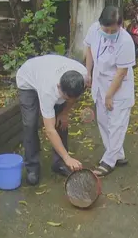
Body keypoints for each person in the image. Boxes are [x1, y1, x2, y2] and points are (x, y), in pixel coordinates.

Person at [16, 54, 87, 185]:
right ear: (59, 86)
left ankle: (58, 163)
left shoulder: (82, 74)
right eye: (66, 98)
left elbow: (73, 97)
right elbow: (49, 130)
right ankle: (32, 167)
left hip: (47, 71)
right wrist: (68, 157)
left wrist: (65, 113)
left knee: (61, 122)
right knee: (30, 124)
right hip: (28, 81)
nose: (69, 101)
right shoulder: (48, 91)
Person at [84, 6, 136, 177]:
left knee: (116, 125)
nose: (107, 32)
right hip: (100, 82)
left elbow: (122, 72)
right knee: (103, 121)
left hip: (118, 87)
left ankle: (109, 161)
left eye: (112, 30)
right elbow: (89, 50)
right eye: (105, 29)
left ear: (120, 26)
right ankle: (117, 154)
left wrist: (109, 95)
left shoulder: (125, 41)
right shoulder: (94, 29)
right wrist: (88, 73)